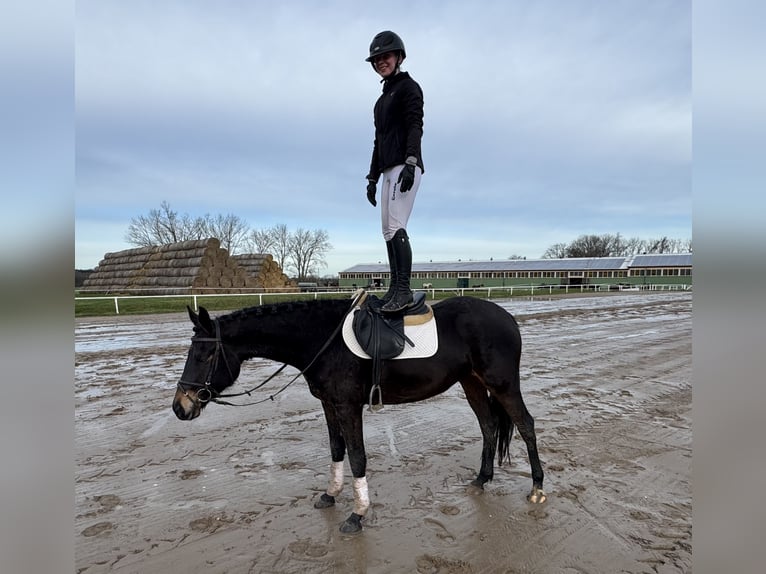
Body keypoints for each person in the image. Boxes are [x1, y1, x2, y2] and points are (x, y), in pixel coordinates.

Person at [364, 30, 424, 313]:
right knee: (387, 231)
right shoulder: (380, 101)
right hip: (387, 168)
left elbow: (415, 125)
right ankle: (393, 289)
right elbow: (378, 141)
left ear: (398, 56)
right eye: (376, 59)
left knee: (396, 225)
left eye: (385, 57)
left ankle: (403, 290)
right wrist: (372, 177)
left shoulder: (409, 88)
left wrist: (411, 162)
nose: (380, 62)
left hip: (405, 165)